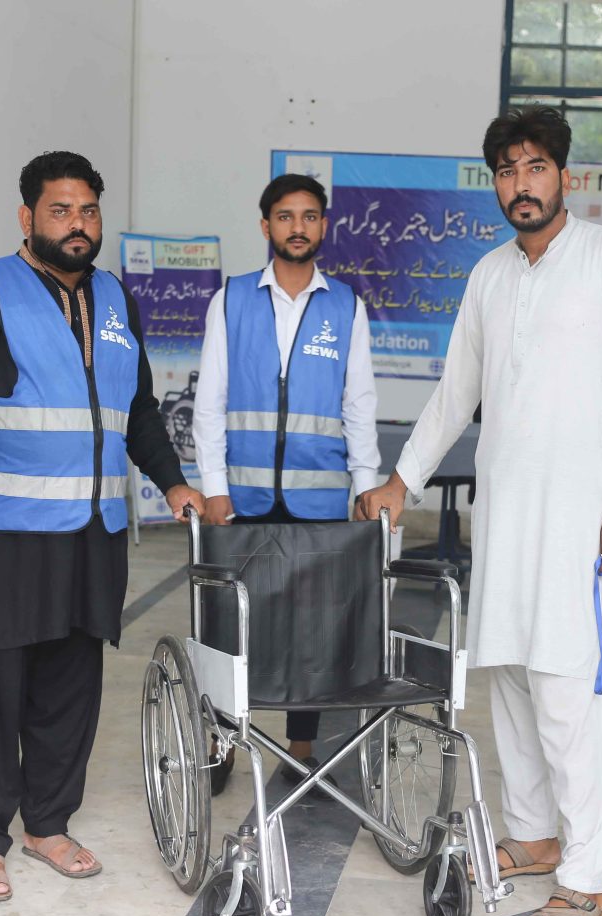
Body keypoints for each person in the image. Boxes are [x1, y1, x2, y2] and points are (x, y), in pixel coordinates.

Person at [357, 106, 602, 916]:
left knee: (572, 692)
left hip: (583, 520)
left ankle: (587, 881)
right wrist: (402, 480)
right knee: (512, 678)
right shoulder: (491, 275)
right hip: (506, 517)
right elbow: (455, 391)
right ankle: (533, 834)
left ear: (565, 176)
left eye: (534, 167)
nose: (520, 184)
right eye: (507, 171)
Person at [0, 151, 203, 902]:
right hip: (5, 533)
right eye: (61, 210)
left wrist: (174, 481)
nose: (78, 225)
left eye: (88, 211)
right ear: (28, 217)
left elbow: (136, 410)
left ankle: (48, 823)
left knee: (71, 686)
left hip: (93, 532)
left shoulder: (114, 299)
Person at [192, 173, 379, 794]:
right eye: (285, 216)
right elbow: (210, 401)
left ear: (324, 225)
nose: (297, 227)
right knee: (229, 624)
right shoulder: (231, 300)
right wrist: (213, 484)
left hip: (319, 501)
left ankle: (301, 747)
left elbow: (359, 404)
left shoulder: (346, 306)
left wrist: (365, 484)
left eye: (309, 216)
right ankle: (221, 736)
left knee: (310, 631)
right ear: (265, 224)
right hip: (241, 499)